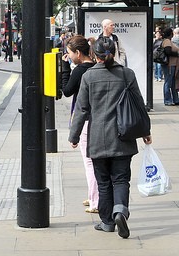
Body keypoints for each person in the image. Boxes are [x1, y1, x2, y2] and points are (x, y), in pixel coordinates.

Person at [69, 37, 152, 239]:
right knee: (121, 179)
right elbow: (139, 104)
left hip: (98, 137)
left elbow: (81, 109)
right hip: (123, 137)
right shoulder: (127, 74)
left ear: (95, 55)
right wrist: (146, 132)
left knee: (103, 181)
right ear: (114, 53)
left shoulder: (88, 77)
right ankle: (120, 211)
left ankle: (107, 223)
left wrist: (74, 135)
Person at [61, 35, 98, 213]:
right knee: (96, 161)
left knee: (89, 162)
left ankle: (95, 201)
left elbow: (67, 91)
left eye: (69, 53)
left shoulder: (79, 71)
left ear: (77, 52)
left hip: (85, 120)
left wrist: (64, 68)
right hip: (100, 118)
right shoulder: (97, 67)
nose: (68, 56)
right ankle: (94, 194)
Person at [160, 27, 179, 106]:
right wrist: (177, 54)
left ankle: (175, 99)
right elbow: (168, 51)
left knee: (172, 82)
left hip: (172, 65)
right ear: (170, 34)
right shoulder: (167, 41)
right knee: (168, 82)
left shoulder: (168, 41)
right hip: (169, 65)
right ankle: (167, 100)